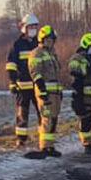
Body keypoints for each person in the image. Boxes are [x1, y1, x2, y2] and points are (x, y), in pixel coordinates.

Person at [6, 13, 41, 147]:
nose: (33, 29)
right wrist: (12, 81)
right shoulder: (17, 45)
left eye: (35, 27)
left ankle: (43, 138)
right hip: (23, 86)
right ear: (24, 28)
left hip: (38, 86)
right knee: (22, 114)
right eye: (31, 27)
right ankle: (21, 140)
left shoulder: (39, 44)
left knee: (42, 113)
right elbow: (11, 65)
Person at [27, 25, 62, 158]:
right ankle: (44, 146)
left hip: (55, 92)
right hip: (45, 92)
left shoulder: (52, 54)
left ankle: (50, 146)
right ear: (42, 39)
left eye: (52, 40)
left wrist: (59, 91)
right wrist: (42, 90)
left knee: (54, 119)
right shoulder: (36, 53)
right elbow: (35, 73)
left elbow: (56, 74)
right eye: (48, 39)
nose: (50, 42)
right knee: (47, 119)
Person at [68, 33, 91, 155]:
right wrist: (88, 67)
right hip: (83, 96)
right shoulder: (77, 58)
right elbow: (74, 69)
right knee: (85, 121)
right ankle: (87, 144)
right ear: (86, 45)